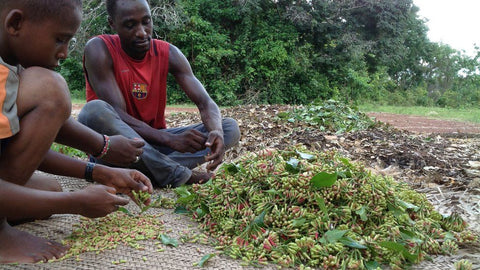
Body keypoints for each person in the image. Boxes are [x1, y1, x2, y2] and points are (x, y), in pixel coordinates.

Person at [0, 0, 154, 263]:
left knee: (49, 190)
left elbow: (18, 146)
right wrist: (75, 203)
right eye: (60, 40)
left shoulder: (11, 66)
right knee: (50, 88)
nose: (65, 53)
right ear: (16, 23)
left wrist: (99, 171)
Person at [79, 0, 241, 188]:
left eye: (146, 22)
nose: (141, 32)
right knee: (93, 110)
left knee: (229, 127)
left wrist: (216, 132)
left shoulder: (169, 53)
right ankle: (175, 173)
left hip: (154, 145)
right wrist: (169, 139)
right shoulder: (99, 48)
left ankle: (151, 169)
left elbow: (205, 102)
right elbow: (117, 116)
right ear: (112, 23)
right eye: (130, 25)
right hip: (115, 150)